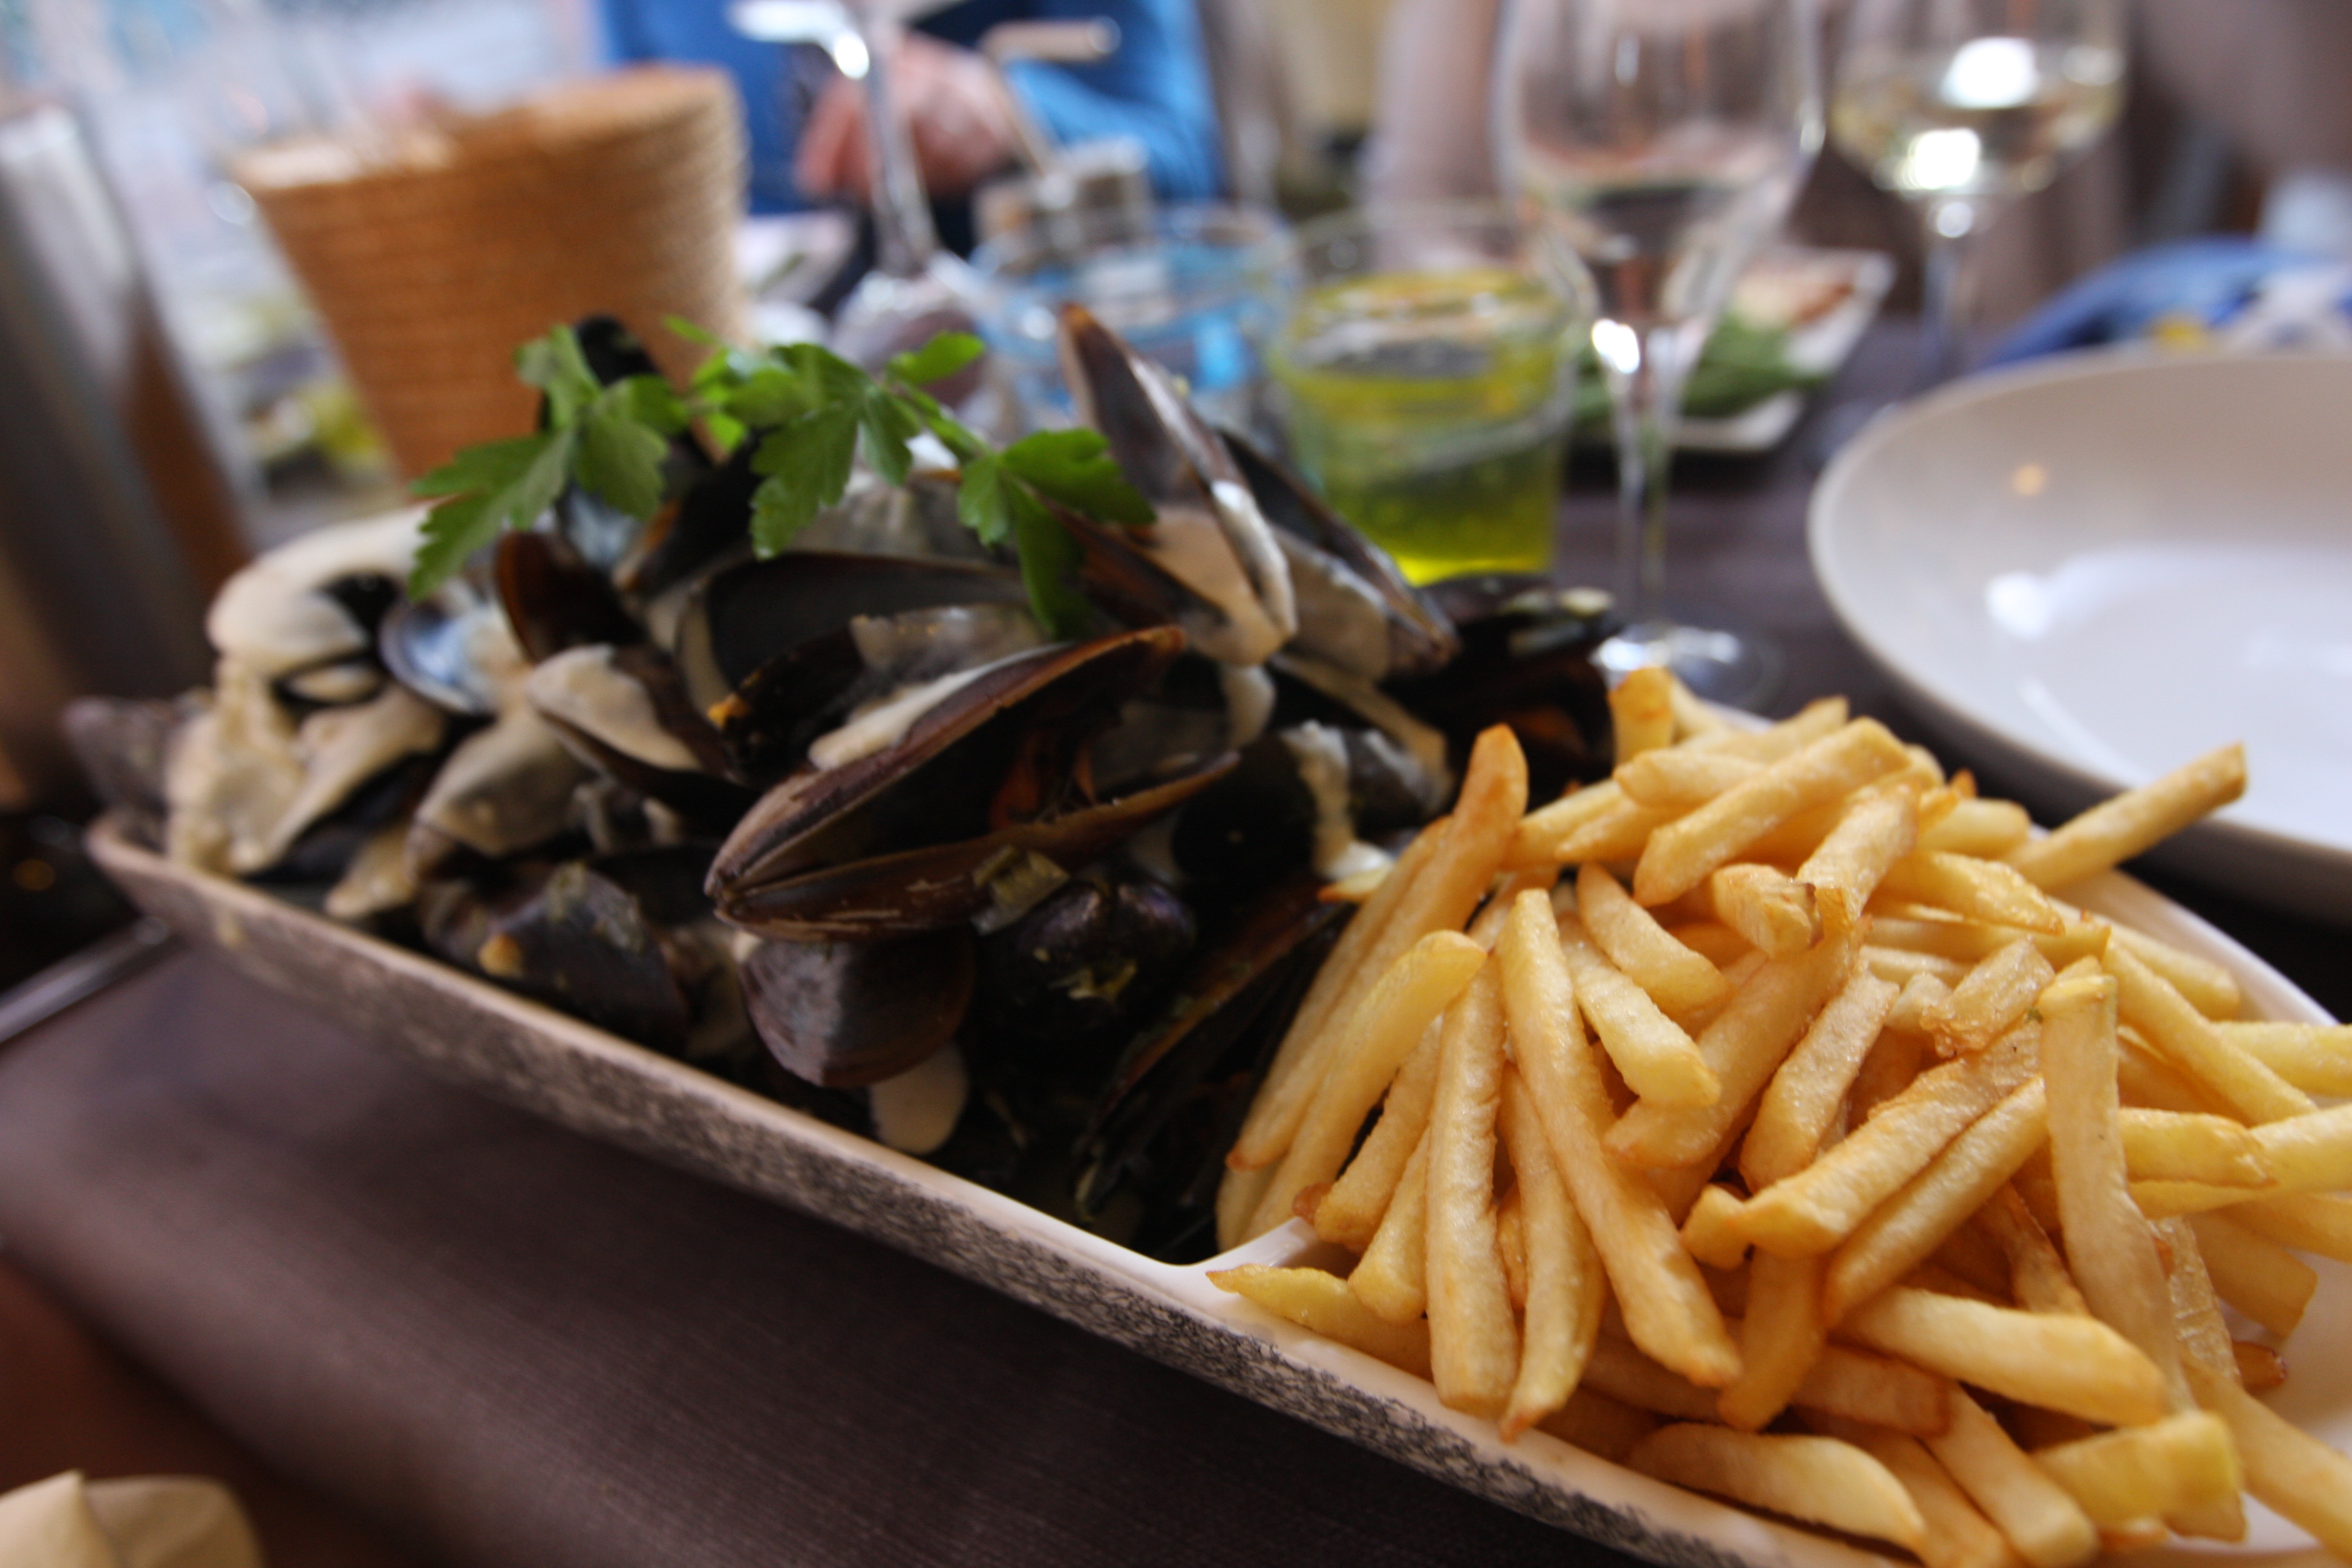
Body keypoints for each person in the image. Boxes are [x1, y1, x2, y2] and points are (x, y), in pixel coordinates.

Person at [598, 0, 1226, 240]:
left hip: (1034, 348)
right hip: (768, 376)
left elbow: (1185, 159)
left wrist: (1004, 110)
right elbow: (636, 180)